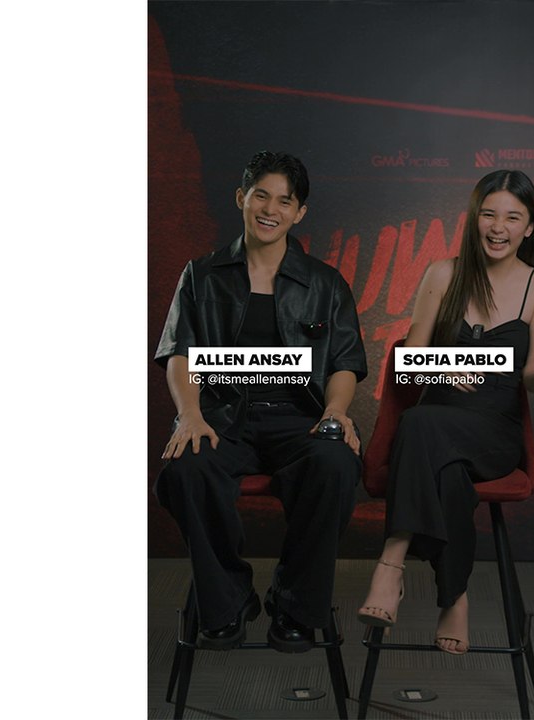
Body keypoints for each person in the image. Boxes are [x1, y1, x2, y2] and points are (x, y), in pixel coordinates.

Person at [154, 151, 367, 653]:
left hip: (299, 419)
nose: (271, 209)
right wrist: (189, 415)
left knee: (336, 465)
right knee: (185, 470)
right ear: (241, 199)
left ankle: (294, 604)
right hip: (223, 417)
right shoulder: (201, 274)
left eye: (284, 201)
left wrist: (335, 411)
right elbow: (180, 353)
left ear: (299, 213)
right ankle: (228, 600)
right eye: (261, 196)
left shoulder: (325, 282)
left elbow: (343, 362)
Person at [356, 169, 534, 655]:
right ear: (473, 218)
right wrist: (443, 366)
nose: (498, 227)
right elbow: (408, 363)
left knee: (419, 425)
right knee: (446, 469)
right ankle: (454, 597)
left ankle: (392, 562)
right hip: (437, 420)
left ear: (530, 227)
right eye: (489, 214)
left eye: (513, 217)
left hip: (494, 432)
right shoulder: (443, 273)